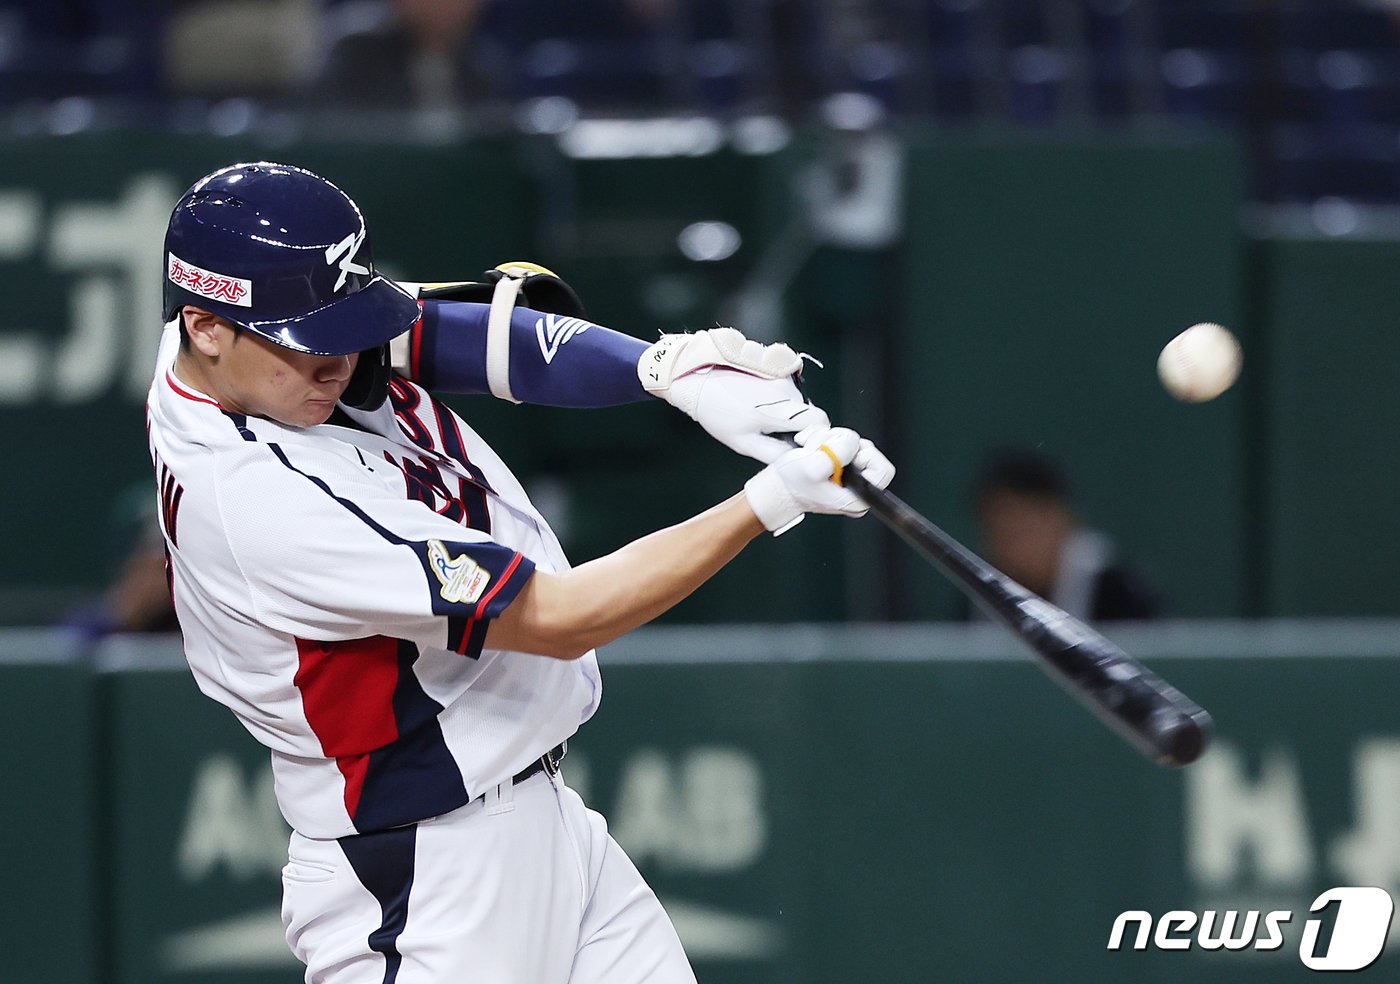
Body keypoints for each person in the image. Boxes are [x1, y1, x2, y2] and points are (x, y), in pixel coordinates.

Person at [146, 161, 893, 983]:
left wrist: (661, 372)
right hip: (423, 882)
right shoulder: (255, 499)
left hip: (541, 827)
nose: (341, 360)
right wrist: (770, 501)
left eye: (345, 325)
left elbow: (442, 332)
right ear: (205, 326)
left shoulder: (232, 348)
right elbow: (564, 616)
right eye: (309, 341)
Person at [969, 447, 1160, 623]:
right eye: (1000, 533)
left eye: (1025, 529)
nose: (1013, 547)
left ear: (1062, 519)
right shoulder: (976, 593)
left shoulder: (1114, 591)